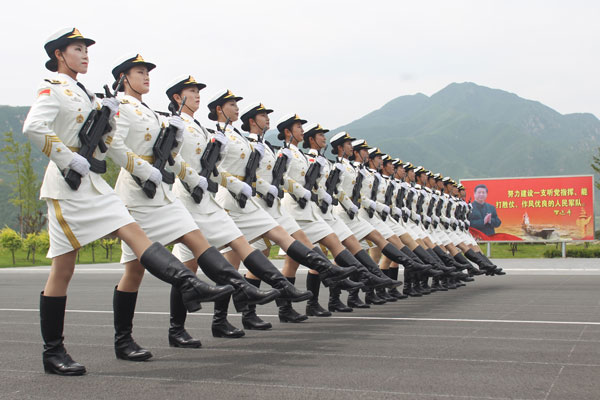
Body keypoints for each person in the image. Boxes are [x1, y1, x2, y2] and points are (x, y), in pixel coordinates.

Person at [23, 28, 233, 376]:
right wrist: (64, 157)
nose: (85, 55)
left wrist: (105, 124)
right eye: (77, 49)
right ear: (60, 55)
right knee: (63, 270)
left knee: (134, 233)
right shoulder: (53, 88)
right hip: (65, 186)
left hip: (93, 182)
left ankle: (182, 287)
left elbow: (106, 146)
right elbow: (34, 127)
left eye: (87, 50)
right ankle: (53, 351)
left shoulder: (90, 95)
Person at [108, 58, 283, 359]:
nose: (146, 77)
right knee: (133, 273)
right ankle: (124, 339)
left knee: (195, 238)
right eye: (140, 72)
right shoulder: (122, 106)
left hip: (163, 193)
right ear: (124, 78)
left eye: (148, 72)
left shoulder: (154, 113)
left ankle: (235, 291)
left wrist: (193, 176)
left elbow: (171, 157)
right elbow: (113, 143)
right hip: (136, 193)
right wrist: (143, 169)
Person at [164, 79, 311, 340]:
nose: (197, 95)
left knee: (226, 262)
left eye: (199, 92)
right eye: (192, 92)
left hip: (210, 200)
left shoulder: (208, 130)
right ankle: (178, 329)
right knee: (189, 268)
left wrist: (236, 182)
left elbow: (217, 167)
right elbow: (172, 157)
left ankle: (227, 318)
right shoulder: (181, 124)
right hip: (190, 200)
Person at [204, 91, 356, 325]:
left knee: (273, 248)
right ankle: (224, 319)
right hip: (233, 201)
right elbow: (215, 168)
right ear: (252, 120)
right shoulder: (221, 135)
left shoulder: (253, 142)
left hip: (259, 201)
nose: (267, 119)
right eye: (262, 116)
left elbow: (264, 174)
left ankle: (278, 303)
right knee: (232, 263)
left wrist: (266, 187)